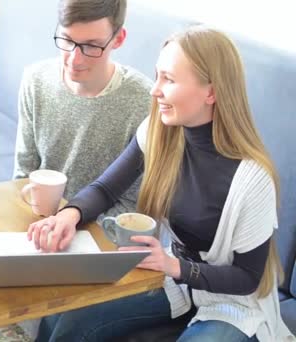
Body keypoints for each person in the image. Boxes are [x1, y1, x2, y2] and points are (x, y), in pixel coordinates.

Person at [28, 26, 295, 341]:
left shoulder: (253, 179)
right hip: (175, 282)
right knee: (70, 318)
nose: (155, 90)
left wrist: (175, 266)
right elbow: (105, 189)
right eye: (157, 76)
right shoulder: (158, 132)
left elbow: (248, 278)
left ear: (211, 91)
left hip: (233, 304)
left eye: (168, 79)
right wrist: (68, 215)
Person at [14, 0, 152, 214]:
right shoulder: (35, 80)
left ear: (118, 39)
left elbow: (134, 206)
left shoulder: (144, 101)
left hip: (100, 235)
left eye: (91, 45)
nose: (74, 59)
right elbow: (23, 176)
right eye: (67, 40)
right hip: (38, 222)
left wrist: (69, 226)